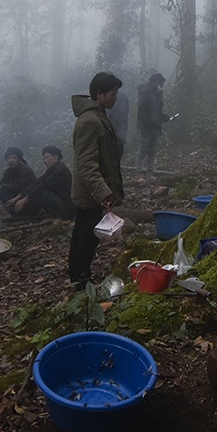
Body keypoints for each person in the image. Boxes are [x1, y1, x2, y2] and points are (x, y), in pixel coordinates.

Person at [69, 72, 125, 286]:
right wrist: (103, 192)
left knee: (84, 233)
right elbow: (86, 163)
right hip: (90, 192)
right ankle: (80, 279)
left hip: (92, 191)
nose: (115, 98)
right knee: (86, 237)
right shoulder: (89, 121)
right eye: (113, 93)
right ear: (99, 94)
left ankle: (78, 275)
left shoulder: (98, 115)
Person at [10, 146, 74, 220]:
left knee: (42, 192)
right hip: (59, 204)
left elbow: (43, 185)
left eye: (47, 157)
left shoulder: (61, 170)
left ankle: (57, 216)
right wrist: (18, 197)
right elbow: (36, 182)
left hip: (66, 208)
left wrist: (25, 199)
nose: (45, 161)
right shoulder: (50, 170)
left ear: (56, 157)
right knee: (35, 189)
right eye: (43, 159)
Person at [0, 146, 39, 221]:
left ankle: (25, 216)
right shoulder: (9, 171)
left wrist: (0, 187)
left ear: (19, 159)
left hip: (28, 199)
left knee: (3, 190)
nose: (11, 160)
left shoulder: (25, 170)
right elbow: (2, 182)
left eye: (14, 158)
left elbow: (20, 186)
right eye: (9, 158)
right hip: (16, 197)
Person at [135, 72, 169, 171]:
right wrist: (154, 86)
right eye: (160, 84)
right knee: (143, 150)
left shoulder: (158, 96)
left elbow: (158, 112)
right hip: (145, 126)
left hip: (155, 126)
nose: (161, 86)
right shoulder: (145, 91)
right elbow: (142, 89)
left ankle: (150, 172)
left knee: (152, 151)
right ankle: (139, 173)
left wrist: (164, 117)